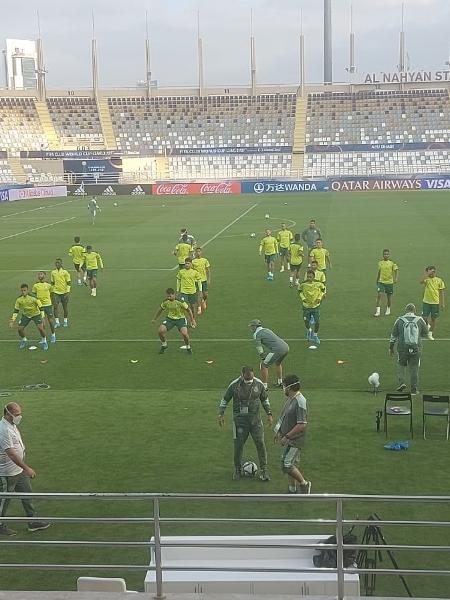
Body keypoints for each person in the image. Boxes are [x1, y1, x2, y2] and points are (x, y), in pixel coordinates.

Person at [0, 402, 50, 536]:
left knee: (27, 494)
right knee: (4, 499)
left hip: (18, 469)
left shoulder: (12, 425)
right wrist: (26, 468)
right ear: (7, 414)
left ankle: (32, 521)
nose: (19, 417)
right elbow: (10, 453)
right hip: (8, 473)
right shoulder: (3, 429)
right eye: (16, 414)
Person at [218, 366, 273, 481]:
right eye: (247, 379)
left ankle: (264, 471)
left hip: (255, 422)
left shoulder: (258, 384)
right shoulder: (234, 385)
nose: (249, 381)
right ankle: (237, 470)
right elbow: (225, 399)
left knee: (260, 444)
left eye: (251, 379)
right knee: (238, 446)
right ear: (241, 375)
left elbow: (264, 399)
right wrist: (220, 414)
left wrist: (269, 413)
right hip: (240, 423)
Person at [273, 374, 311, 494]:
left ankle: (305, 484)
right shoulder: (291, 399)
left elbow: (302, 424)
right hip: (288, 438)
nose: (283, 388)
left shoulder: (300, 402)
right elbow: (284, 416)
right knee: (291, 464)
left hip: (295, 440)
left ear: (289, 387)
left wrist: (287, 436)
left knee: (287, 464)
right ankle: (292, 489)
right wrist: (278, 431)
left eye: (284, 386)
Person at [389, 303, 428, 395]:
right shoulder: (419, 320)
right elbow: (425, 333)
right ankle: (414, 390)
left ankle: (402, 383)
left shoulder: (399, 320)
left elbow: (393, 336)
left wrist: (391, 348)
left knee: (401, 365)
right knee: (414, 368)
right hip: (416, 348)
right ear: (414, 310)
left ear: (406, 310)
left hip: (403, 348)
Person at [152, 288, 196, 354]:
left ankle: (188, 347)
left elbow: (188, 310)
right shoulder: (165, 302)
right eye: (167, 296)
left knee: (184, 334)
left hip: (180, 319)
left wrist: (192, 320)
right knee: (160, 331)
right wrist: (154, 319)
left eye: (170, 296)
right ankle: (164, 345)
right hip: (170, 319)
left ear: (174, 294)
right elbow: (160, 309)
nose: (168, 297)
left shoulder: (180, 301)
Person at [249, 319, 289, 388]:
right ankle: (280, 382)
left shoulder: (256, 334)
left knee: (263, 365)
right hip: (286, 347)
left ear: (255, 326)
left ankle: (264, 387)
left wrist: (262, 356)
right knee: (278, 363)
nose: (251, 328)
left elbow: (259, 347)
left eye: (252, 326)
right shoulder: (266, 329)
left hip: (278, 350)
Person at [9, 284, 48, 351]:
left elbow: (41, 307)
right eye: (22, 291)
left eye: (24, 290)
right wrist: (12, 320)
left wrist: (43, 317)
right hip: (26, 315)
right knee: (20, 329)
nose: (23, 292)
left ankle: (44, 341)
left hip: (36, 314)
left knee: (41, 328)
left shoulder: (34, 297)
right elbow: (16, 310)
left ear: (27, 290)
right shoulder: (19, 299)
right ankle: (24, 339)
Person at [298, 269, 326, 345]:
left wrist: (319, 298)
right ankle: (309, 330)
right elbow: (299, 291)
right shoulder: (303, 284)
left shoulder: (318, 284)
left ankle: (315, 335)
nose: (309, 278)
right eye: (308, 277)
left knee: (317, 322)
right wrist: (303, 298)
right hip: (306, 307)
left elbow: (323, 290)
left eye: (310, 277)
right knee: (306, 322)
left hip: (315, 306)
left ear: (313, 277)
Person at [421, 266, 446, 340]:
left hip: (435, 303)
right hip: (426, 302)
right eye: (431, 271)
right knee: (424, 318)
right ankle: (428, 325)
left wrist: (442, 303)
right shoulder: (427, 280)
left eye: (433, 271)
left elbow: (441, 292)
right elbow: (421, 281)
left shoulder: (439, 280)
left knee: (433, 319)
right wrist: (427, 274)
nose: (433, 273)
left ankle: (430, 333)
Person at [32, 272, 56, 343]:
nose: (40, 275)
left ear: (45, 276)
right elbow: (34, 296)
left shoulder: (49, 285)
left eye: (41, 274)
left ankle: (53, 335)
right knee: (42, 322)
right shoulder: (35, 286)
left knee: (51, 321)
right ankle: (44, 338)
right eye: (39, 274)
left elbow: (52, 294)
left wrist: (53, 303)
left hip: (48, 305)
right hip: (40, 306)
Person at [374, 249, 398, 317]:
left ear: (389, 255)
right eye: (385, 254)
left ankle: (388, 309)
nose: (386, 255)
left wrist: (396, 278)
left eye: (387, 254)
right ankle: (377, 311)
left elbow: (396, 270)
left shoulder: (392, 263)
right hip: (381, 282)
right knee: (379, 295)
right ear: (383, 255)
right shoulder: (380, 263)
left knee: (389, 297)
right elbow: (379, 272)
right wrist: (377, 279)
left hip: (389, 282)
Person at [50, 259, 71, 328]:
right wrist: (52, 292)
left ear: (61, 264)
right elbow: (52, 283)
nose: (57, 264)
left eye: (58, 263)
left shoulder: (65, 272)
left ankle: (65, 321)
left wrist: (67, 292)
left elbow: (68, 282)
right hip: (56, 292)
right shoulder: (53, 272)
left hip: (64, 292)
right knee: (55, 307)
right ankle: (57, 322)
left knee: (65, 307)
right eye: (56, 263)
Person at [192, 247, 211, 315]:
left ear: (201, 252)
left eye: (199, 251)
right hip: (197, 281)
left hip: (204, 280)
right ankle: (199, 308)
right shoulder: (193, 261)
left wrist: (209, 279)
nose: (198, 253)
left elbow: (208, 270)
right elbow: (192, 271)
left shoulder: (205, 260)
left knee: (205, 294)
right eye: (197, 252)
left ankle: (204, 300)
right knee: (199, 295)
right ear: (195, 253)